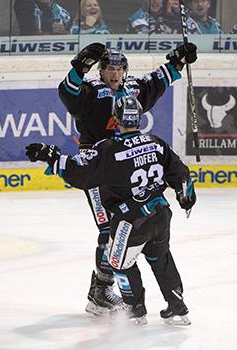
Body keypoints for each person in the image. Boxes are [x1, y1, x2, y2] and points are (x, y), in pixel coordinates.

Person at [25, 95, 196, 325]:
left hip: (131, 220)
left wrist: (51, 156)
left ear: (115, 119)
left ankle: (135, 311)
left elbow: (82, 174)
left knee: (118, 263)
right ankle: (178, 308)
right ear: (139, 119)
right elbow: (181, 174)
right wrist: (186, 197)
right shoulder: (156, 142)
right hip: (161, 214)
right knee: (160, 257)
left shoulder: (109, 149)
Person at [57, 41, 198, 316]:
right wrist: (79, 66)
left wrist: (179, 59)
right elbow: (68, 93)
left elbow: (159, 80)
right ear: (101, 71)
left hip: (127, 168)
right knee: (109, 230)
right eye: (109, 68)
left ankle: (128, 293)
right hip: (98, 169)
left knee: (130, 225)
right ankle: (100, 291)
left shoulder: (133, 89)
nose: (114, 73)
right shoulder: (92, 92)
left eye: (119, 68)